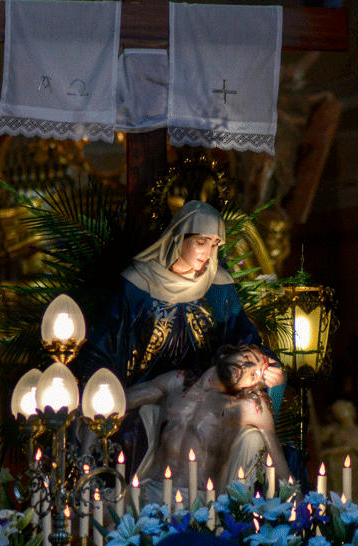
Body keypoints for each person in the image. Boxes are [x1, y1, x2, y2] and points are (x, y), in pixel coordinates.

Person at [76, 200, 285, 476]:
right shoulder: (136, 285)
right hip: (152, 394)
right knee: (127, 433)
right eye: (201, 242)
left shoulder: (219, 287)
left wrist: (267, 365)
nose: (208, 252)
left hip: (205, 392)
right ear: (178, 238)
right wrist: (98, 391)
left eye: (214, 245)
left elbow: (244, 339)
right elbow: (104, 347)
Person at [126, 344, 291, 499]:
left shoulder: (246, 407)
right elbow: (119, 401)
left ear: (251, 386)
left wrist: (303, 514)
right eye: (247, 359)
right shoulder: (177, 381)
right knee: (106, 506)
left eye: (254, 375)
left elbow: (280, 466)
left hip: (196, 502)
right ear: (228, 352)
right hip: (151, 489)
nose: (246, 369)